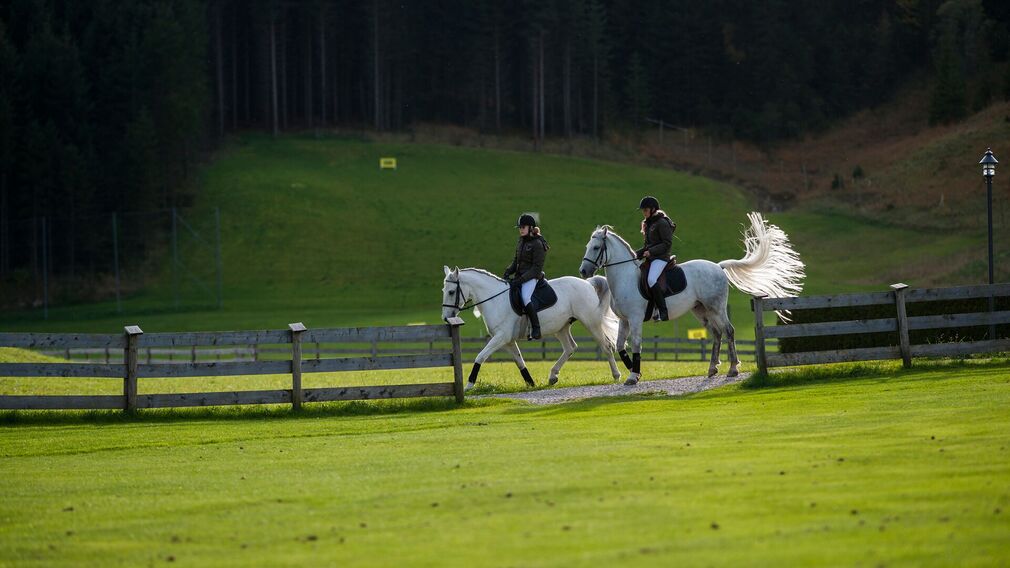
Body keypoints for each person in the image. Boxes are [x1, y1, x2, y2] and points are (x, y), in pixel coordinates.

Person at [503, 214, 550, 339]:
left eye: (523, 227)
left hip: (533, 277)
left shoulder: (538, 244)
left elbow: (536, 268)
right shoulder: (521, 241)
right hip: (520, 277)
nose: (521, 229)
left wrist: (520, 280)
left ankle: (536, 328)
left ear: (530, 227)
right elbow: (516, 261)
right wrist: (508, 271)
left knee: (525, 297)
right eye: (520, 227)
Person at [635, 196, 676, 321]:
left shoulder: (662, 223)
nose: (644, 212)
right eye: (643, 210)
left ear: (653, 209)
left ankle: (662, 310)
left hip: (661, 257)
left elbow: (667, 243)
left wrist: (651, 252)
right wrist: (635, 254)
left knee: (652, 279)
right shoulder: (648, 223)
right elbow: (647, 245)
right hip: (651, 257)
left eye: (645, 210)